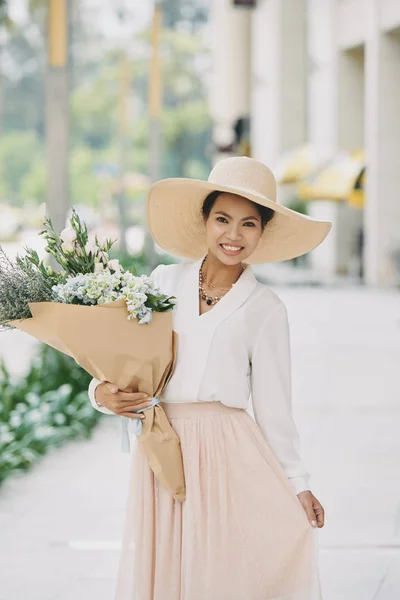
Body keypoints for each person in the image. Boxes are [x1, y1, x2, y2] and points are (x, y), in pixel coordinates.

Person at [88, 156, 331, 600]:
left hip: (229, 453)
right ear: (204, 220)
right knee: (166, 569)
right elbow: (121, 360)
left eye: (249, 224)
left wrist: (298, 483)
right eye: (222, 219)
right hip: (162, 445)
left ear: (263, 232)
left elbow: (275, 409)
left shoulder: (265, 308)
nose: (233, 235)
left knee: (218, 573)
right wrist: (101, 393)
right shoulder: (162, 282)